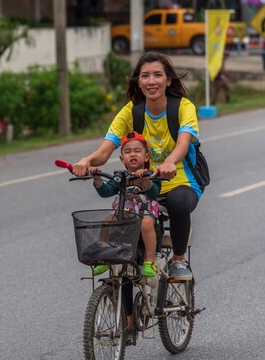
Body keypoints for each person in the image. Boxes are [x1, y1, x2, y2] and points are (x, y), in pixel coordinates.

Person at [73, 51, 202, 282]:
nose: (151, 81)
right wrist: (87, 161)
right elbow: (105, 150)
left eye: (157, 75)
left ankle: (179, 260)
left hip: (180, 180)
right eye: (145, 76)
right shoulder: (131, 111)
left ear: (168, 80)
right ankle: (130, 317)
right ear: (138, 81)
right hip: (142, 185)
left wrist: (170, 162)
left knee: (178, 201)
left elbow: (183, 143)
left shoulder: (183, 107)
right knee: (120, 230)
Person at [90, 131, 161, 277]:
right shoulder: (120, 177)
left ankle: (150, 260)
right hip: (124, 213)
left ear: (146, 156)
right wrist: (97, 180)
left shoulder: (152, 173)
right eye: (128, 152)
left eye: (137, 151)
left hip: (145, 212)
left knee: (146, 224)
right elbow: (106, 191)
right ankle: (104, 255)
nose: (133, 154)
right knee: (108, 221)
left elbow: (154, 193)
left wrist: (145, 180)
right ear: (122, 159)